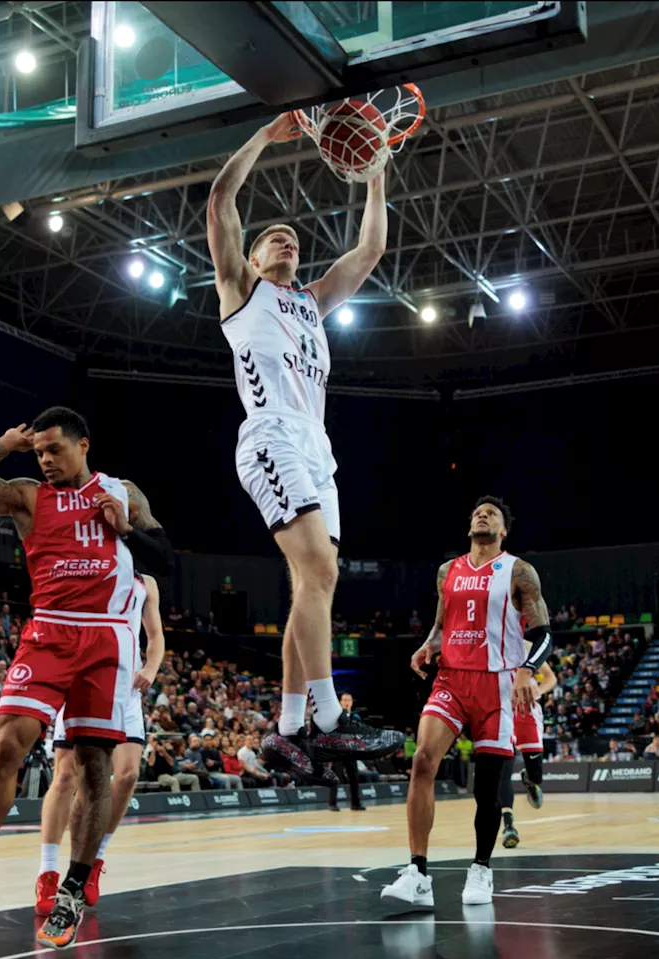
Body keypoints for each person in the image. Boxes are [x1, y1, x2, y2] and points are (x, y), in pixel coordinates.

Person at [207, 113, 401, 776]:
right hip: (270, 434)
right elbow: (220, 201)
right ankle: (328, 718)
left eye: (292, 236)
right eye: (272, 238)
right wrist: (263, 136)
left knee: (307, 583)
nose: (285, 239)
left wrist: (374, 171)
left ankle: (287, 730)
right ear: (253, 260)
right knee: (321, 572)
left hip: (317, 447)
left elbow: (370, 251)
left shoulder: (312, 303)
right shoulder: (241, 291)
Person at [0, 407, 173, 949]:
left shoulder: (123, 491)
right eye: (38, 452)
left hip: (108, 638)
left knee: (94, 768)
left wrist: (127, 527)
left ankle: (72, 888)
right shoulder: (27, 496)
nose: (44, 460)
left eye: (53, 450)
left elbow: (166, 558)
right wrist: (2, 444)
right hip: (49, 630)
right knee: (6, 743)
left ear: (82, 445)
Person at [382, 497, 552, 907]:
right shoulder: (448, 571)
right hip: (452, 680)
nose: (483, 515)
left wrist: (527, 670)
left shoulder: (519, 572)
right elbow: (442, 625)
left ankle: (481, 869)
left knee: (488, 789)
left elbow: (544, 634)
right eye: (478, 512)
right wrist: (427, 645)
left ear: (503, 531)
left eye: (492, 513)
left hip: (497, 685)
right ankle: (418, 873)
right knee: (423, 759)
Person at [36, 573, 165, 916]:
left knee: (127, 775)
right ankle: (47, 872)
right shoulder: (88, 563)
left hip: (126, 683)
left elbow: (155, 636)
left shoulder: (145, 581)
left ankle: (93, 861)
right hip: (82, 673)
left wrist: (151, 667)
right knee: (66, 777)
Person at [501, 661, 557, 849]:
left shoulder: (528, 647)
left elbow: (550, 677)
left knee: (536, 776)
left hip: (527, 713)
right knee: (503, 773)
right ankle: (508, 826)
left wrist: (538, 691)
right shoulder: (489, 644)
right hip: (501, 712)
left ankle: (529, 780)